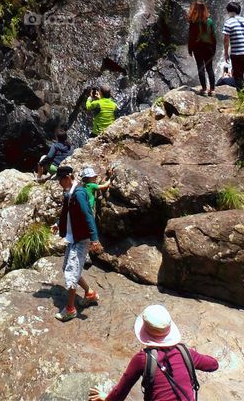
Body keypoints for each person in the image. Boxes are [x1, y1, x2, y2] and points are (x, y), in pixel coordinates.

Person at [88, 303, 219, 400]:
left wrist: (106, 398)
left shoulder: (142, 359)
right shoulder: (186, 353)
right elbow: (213, 365)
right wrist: (191, 357)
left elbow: (120, 393)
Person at [52, 165, 102, 322]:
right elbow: (66, 213)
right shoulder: (70, 192)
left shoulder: (79, 193)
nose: (59, 182)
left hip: (81, 239)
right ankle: (89, 293)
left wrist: (94, 239)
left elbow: (88, 214)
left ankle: (70, 309)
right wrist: (57, 224)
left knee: (70, 273)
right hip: (74, 237)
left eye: (60, 180)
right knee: (68, 266)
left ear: (67, 177)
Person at [222, 0, 244, 89]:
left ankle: (242, 97)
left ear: (228, 11)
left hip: (236, 55)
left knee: (238, 77)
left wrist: (226, 53)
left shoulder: (228, 22)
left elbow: (226, 40)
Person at [186, 0, 217, 95]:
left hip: (197, 47)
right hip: (209, 47)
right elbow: (213, 36)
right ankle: (212, 90)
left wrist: (190, 49)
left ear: (195, 9)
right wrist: (214, 48)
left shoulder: (193, 21)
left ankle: (204, 89)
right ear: (204, 9)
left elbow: (191, 37)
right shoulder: (210, 21)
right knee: (209, 68)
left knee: (200, 67)